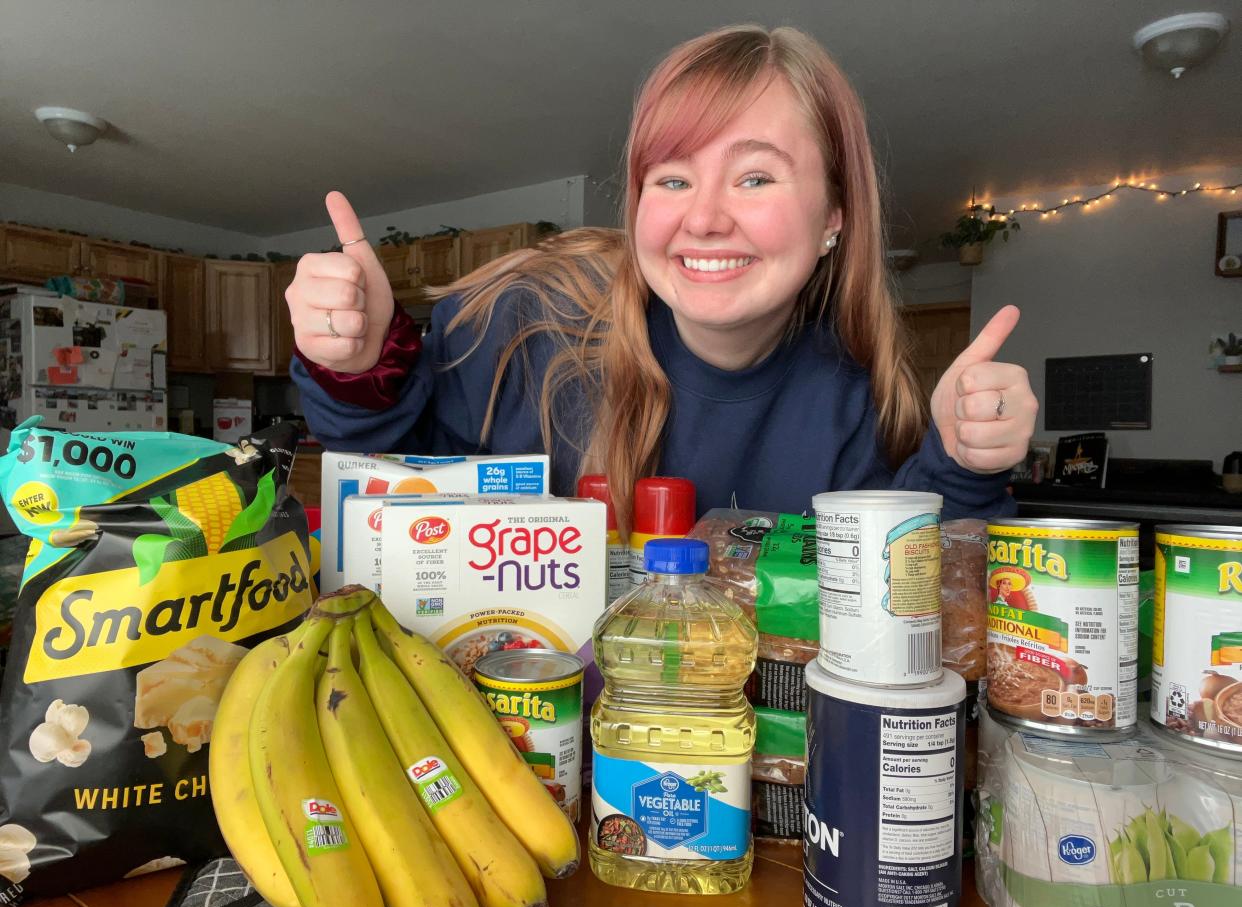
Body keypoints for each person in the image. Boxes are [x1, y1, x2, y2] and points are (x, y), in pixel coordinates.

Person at [289, 24, 1037, 532]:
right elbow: (385, 484)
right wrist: (360, 366)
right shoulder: (520, 322)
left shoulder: (851, 408)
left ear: (834, 216)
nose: (704, 219)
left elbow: (905, 602)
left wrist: (964, 464)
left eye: (754, 177)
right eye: (672, 181)